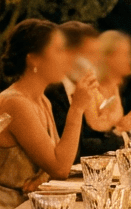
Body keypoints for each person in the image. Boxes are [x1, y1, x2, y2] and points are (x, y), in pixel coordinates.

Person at [0, 19, 97, 209]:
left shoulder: (41, 100)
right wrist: (77, 109)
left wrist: (43, 175)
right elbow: (61, 168)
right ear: (33, 58)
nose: (66, 57)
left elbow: (53, 166)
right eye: (58, 50)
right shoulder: (15, 102)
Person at [45, 21, 124, 156]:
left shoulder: (78, 86)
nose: (96, 61)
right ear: (68, 53)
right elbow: (77, 148)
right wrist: (121, 139)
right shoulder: (51, 91)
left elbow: (93, 132)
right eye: (90, 54)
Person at [91, 30, 131, 134]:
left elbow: (114, 127)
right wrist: (122, 126)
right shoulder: (92, 87)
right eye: (124, 54)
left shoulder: (115, 85)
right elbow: (93, 134)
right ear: (107, 56)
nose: (129, 60)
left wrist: (128, 120)